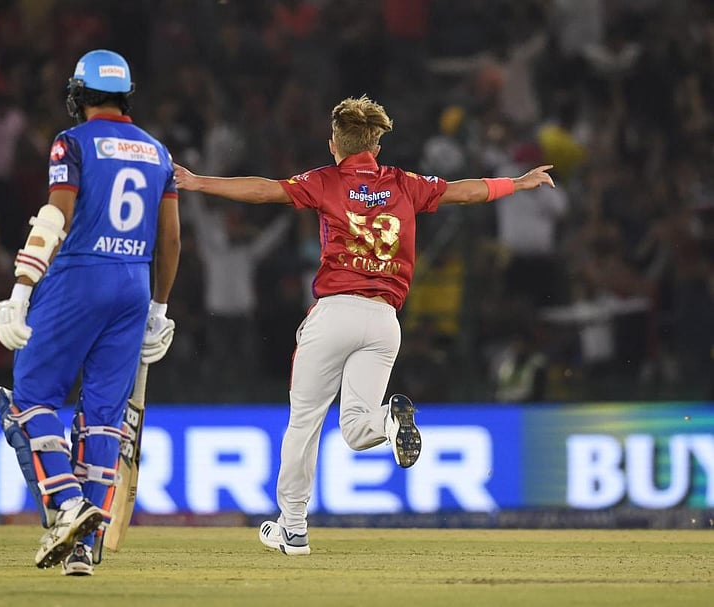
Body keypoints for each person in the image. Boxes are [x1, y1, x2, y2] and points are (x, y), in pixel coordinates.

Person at [174, 95, 553, 555]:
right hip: (384, 320)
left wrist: (197, 183)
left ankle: (293, 527)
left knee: (305, 421)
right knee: (357, 428)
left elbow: (263, 190)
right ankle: (391, 424)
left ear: (335, 142)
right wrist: (517, 182)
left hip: (336, 310)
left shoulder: (325, 181)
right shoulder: (405, 183)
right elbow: (465, 190)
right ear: (375, 142)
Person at [0, 49, 181, 575]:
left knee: (32, 396)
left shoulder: (70, 142)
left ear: (78, 95)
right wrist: (159, 309)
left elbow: (57, 212)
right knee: (104, 416)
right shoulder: (158, 153)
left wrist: (22, 285)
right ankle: (83, 548)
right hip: (134, 285)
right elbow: (170, 239)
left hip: (79, 274)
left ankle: (68, 506)